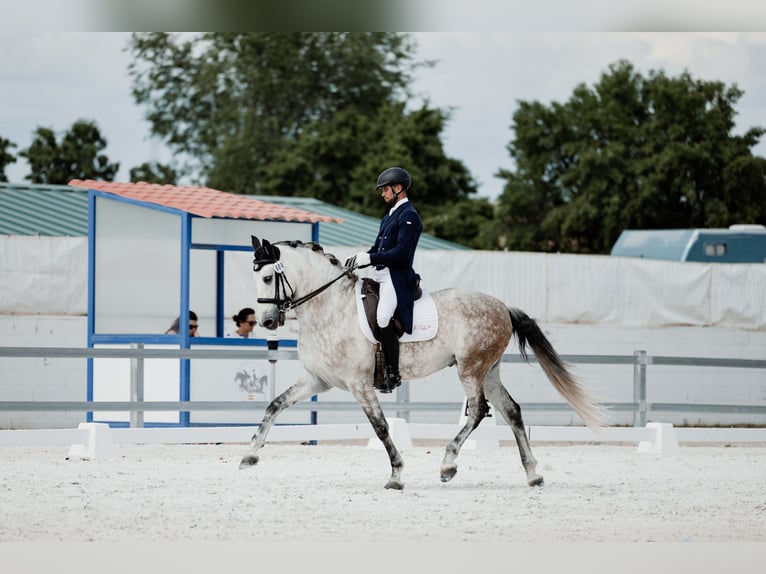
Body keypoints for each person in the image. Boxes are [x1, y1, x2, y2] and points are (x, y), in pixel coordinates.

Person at [345, 167, 423, 393]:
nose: (382, 194)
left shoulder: (410, 216)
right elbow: (378, 248)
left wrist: (370, 257)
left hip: (395, 278)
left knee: (383, 317)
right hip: (380, 274)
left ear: (398, 188)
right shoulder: (388, 216)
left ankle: (392, 372)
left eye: (385, 190)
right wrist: (361, 258)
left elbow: (401, 253)